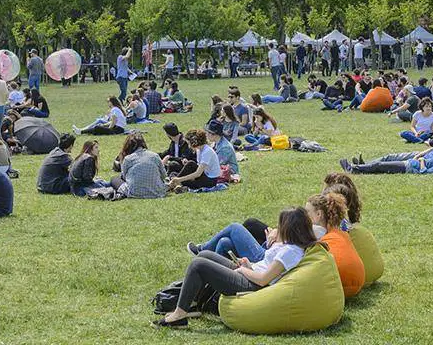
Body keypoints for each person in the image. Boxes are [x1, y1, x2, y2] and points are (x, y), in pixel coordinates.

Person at [156, 206, 316, 327]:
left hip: (252, 286)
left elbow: (263, 280)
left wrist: (244, 270)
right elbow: (266, 270)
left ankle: (179, 315)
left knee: (199, 264)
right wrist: (250, 265)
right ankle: (192, 302)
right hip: (251, 274)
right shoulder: (290, 246)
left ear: (288, 228)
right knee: (205, 255)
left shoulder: (290, 251)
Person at [111, 134, 167, 199]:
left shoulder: (128, 159)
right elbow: (164, 175)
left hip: (135, 193)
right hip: (157, 192)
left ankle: (122, 193)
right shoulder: (154, 155)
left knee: (114, 179)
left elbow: (124, 177)